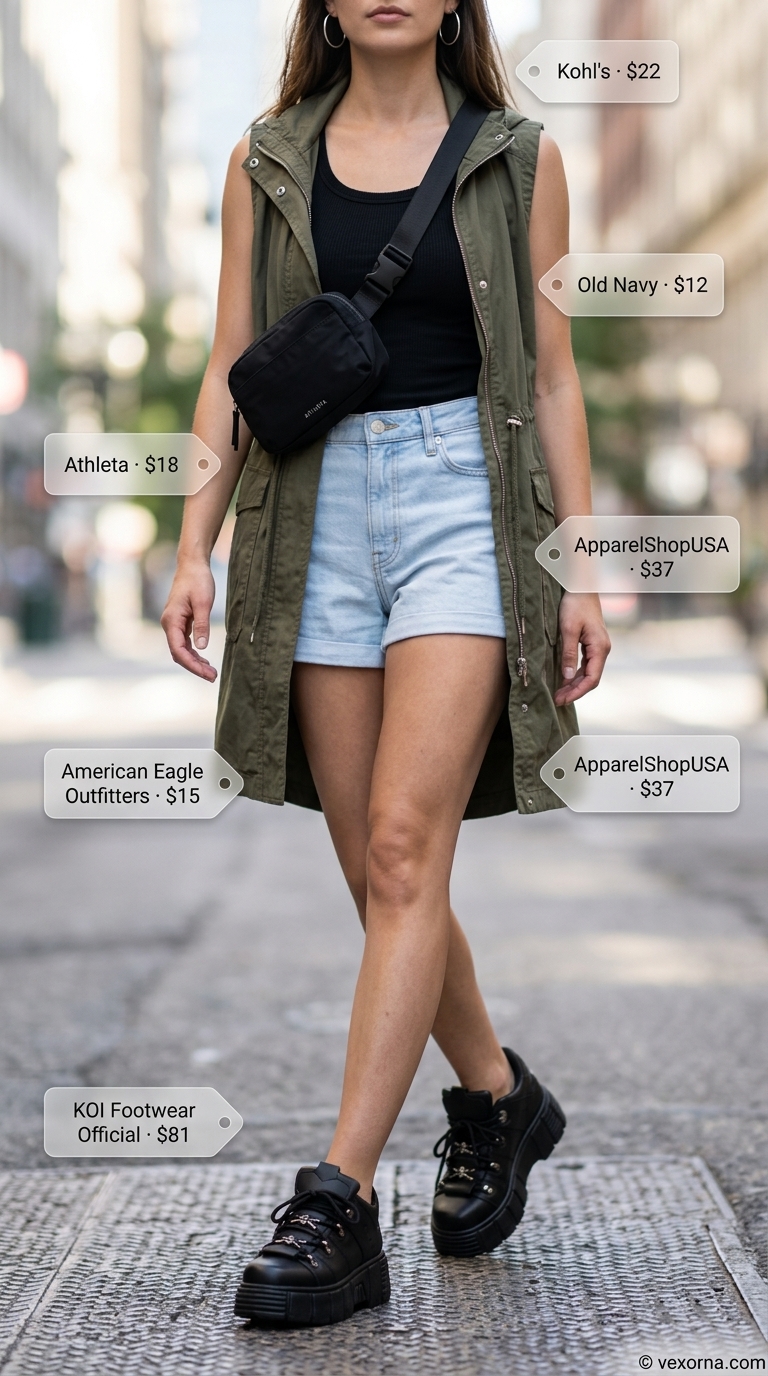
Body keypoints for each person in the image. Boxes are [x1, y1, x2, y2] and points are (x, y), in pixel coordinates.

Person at [161, 0, 611, 1329]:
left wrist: (576, 563)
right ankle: (496, 1094)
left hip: (463, 504)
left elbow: (559, 374)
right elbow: (229, 364)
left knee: (411, 848)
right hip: (312, 511)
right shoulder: (266, 157)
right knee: (372, 862)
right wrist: (192, 543)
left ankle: (338, 1200)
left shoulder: (519, 157)